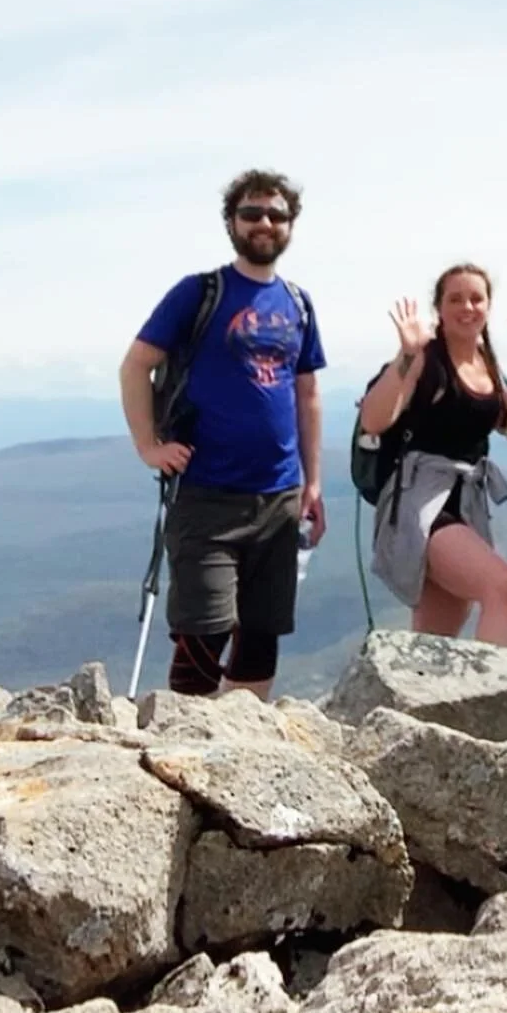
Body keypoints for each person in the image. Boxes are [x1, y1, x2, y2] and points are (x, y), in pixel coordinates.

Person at [119, 169, 325, 700]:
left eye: (276, 214)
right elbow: (135, 366)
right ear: (231, 222)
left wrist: (314, 484)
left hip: (278, 496)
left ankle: (246, 753)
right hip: (206, 492)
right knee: (202, 633)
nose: (264, 223)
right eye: (252, 213)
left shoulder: (299, 303)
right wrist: (148, 446)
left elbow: (307, 394)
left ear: (290, 225)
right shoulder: (200, 293)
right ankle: (185, 754)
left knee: (261, 632)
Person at [360, 263, 507, 646]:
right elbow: (375, 421)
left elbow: (506, 423)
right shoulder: (426, 360)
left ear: (488, 306)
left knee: (432, 644)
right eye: (455, 299)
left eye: (476, 298)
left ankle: (414, 703)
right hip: (421, 502)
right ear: (438, 308)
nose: (467, 307)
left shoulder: (484, 360)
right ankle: (501, 698)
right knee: (500, 585)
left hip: (465, 504)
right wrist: (406, 355)